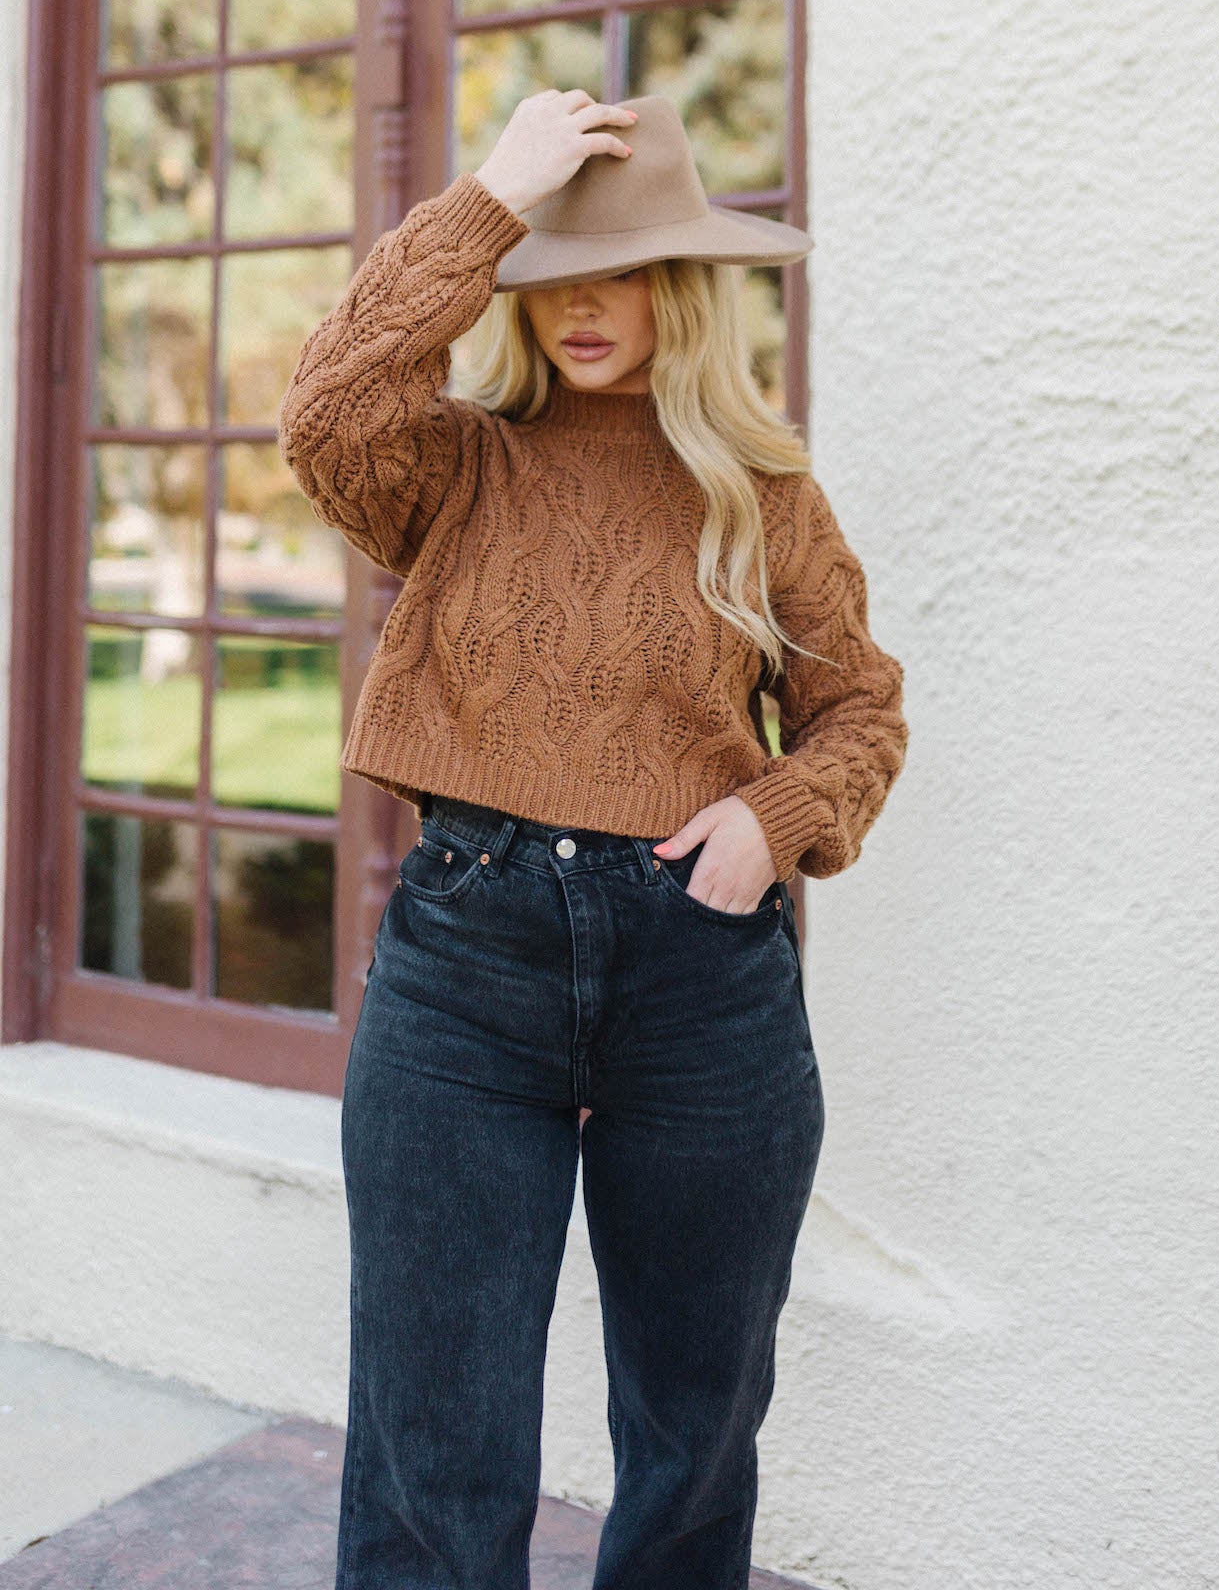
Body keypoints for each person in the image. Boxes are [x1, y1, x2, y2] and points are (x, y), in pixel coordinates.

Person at [278, 88, 908, 1589]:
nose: (581, 307)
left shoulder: (760, 493)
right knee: (436, 1437)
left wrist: (775, 819)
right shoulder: (453, 465)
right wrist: (489, 196)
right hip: (463, 965)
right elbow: (322, 412)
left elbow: (861, 716)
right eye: (552, 271)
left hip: (700, 980)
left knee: (694, 1435)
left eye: (620, 269)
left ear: (682, 287)